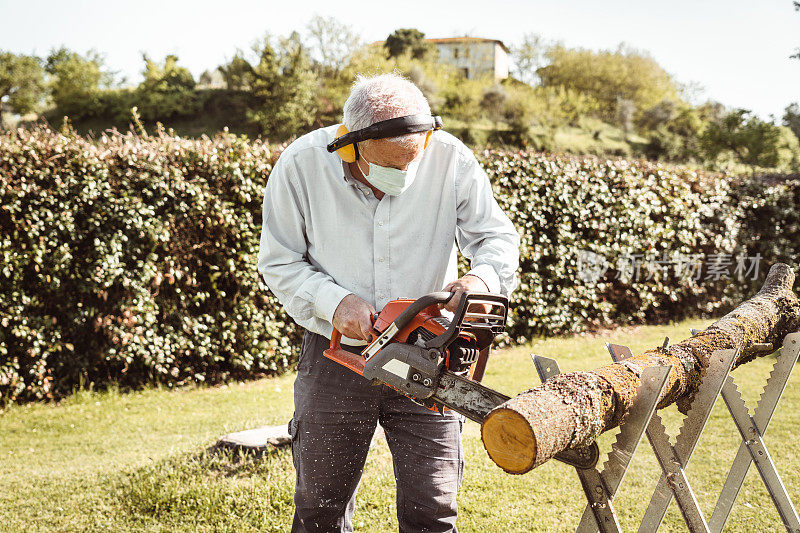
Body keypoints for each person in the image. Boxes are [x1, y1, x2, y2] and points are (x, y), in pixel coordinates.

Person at [257, 73, 520, 533]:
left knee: (432, 509)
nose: (402, 176)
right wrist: (333, 302)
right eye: (389, 166)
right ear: (349, 144)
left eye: (410, 163)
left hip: (428, 350)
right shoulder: (301, 165)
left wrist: (481, 277)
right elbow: (278, 261)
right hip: (334, 358)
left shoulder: (451, 158)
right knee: (321, 509)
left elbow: (496, 236)